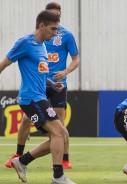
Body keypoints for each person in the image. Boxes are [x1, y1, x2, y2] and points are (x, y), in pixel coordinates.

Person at [0, 10, 75, 184]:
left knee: (60, 136)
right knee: (59, 133)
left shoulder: (42, 45)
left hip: (40, 95)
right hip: (30, 98)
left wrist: (52, 84)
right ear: (42, 25)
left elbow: (39, 73)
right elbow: (4, 63)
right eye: (53, 29)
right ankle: (58, 177)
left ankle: (22, 161)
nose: (55, 33)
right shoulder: (25, 43)